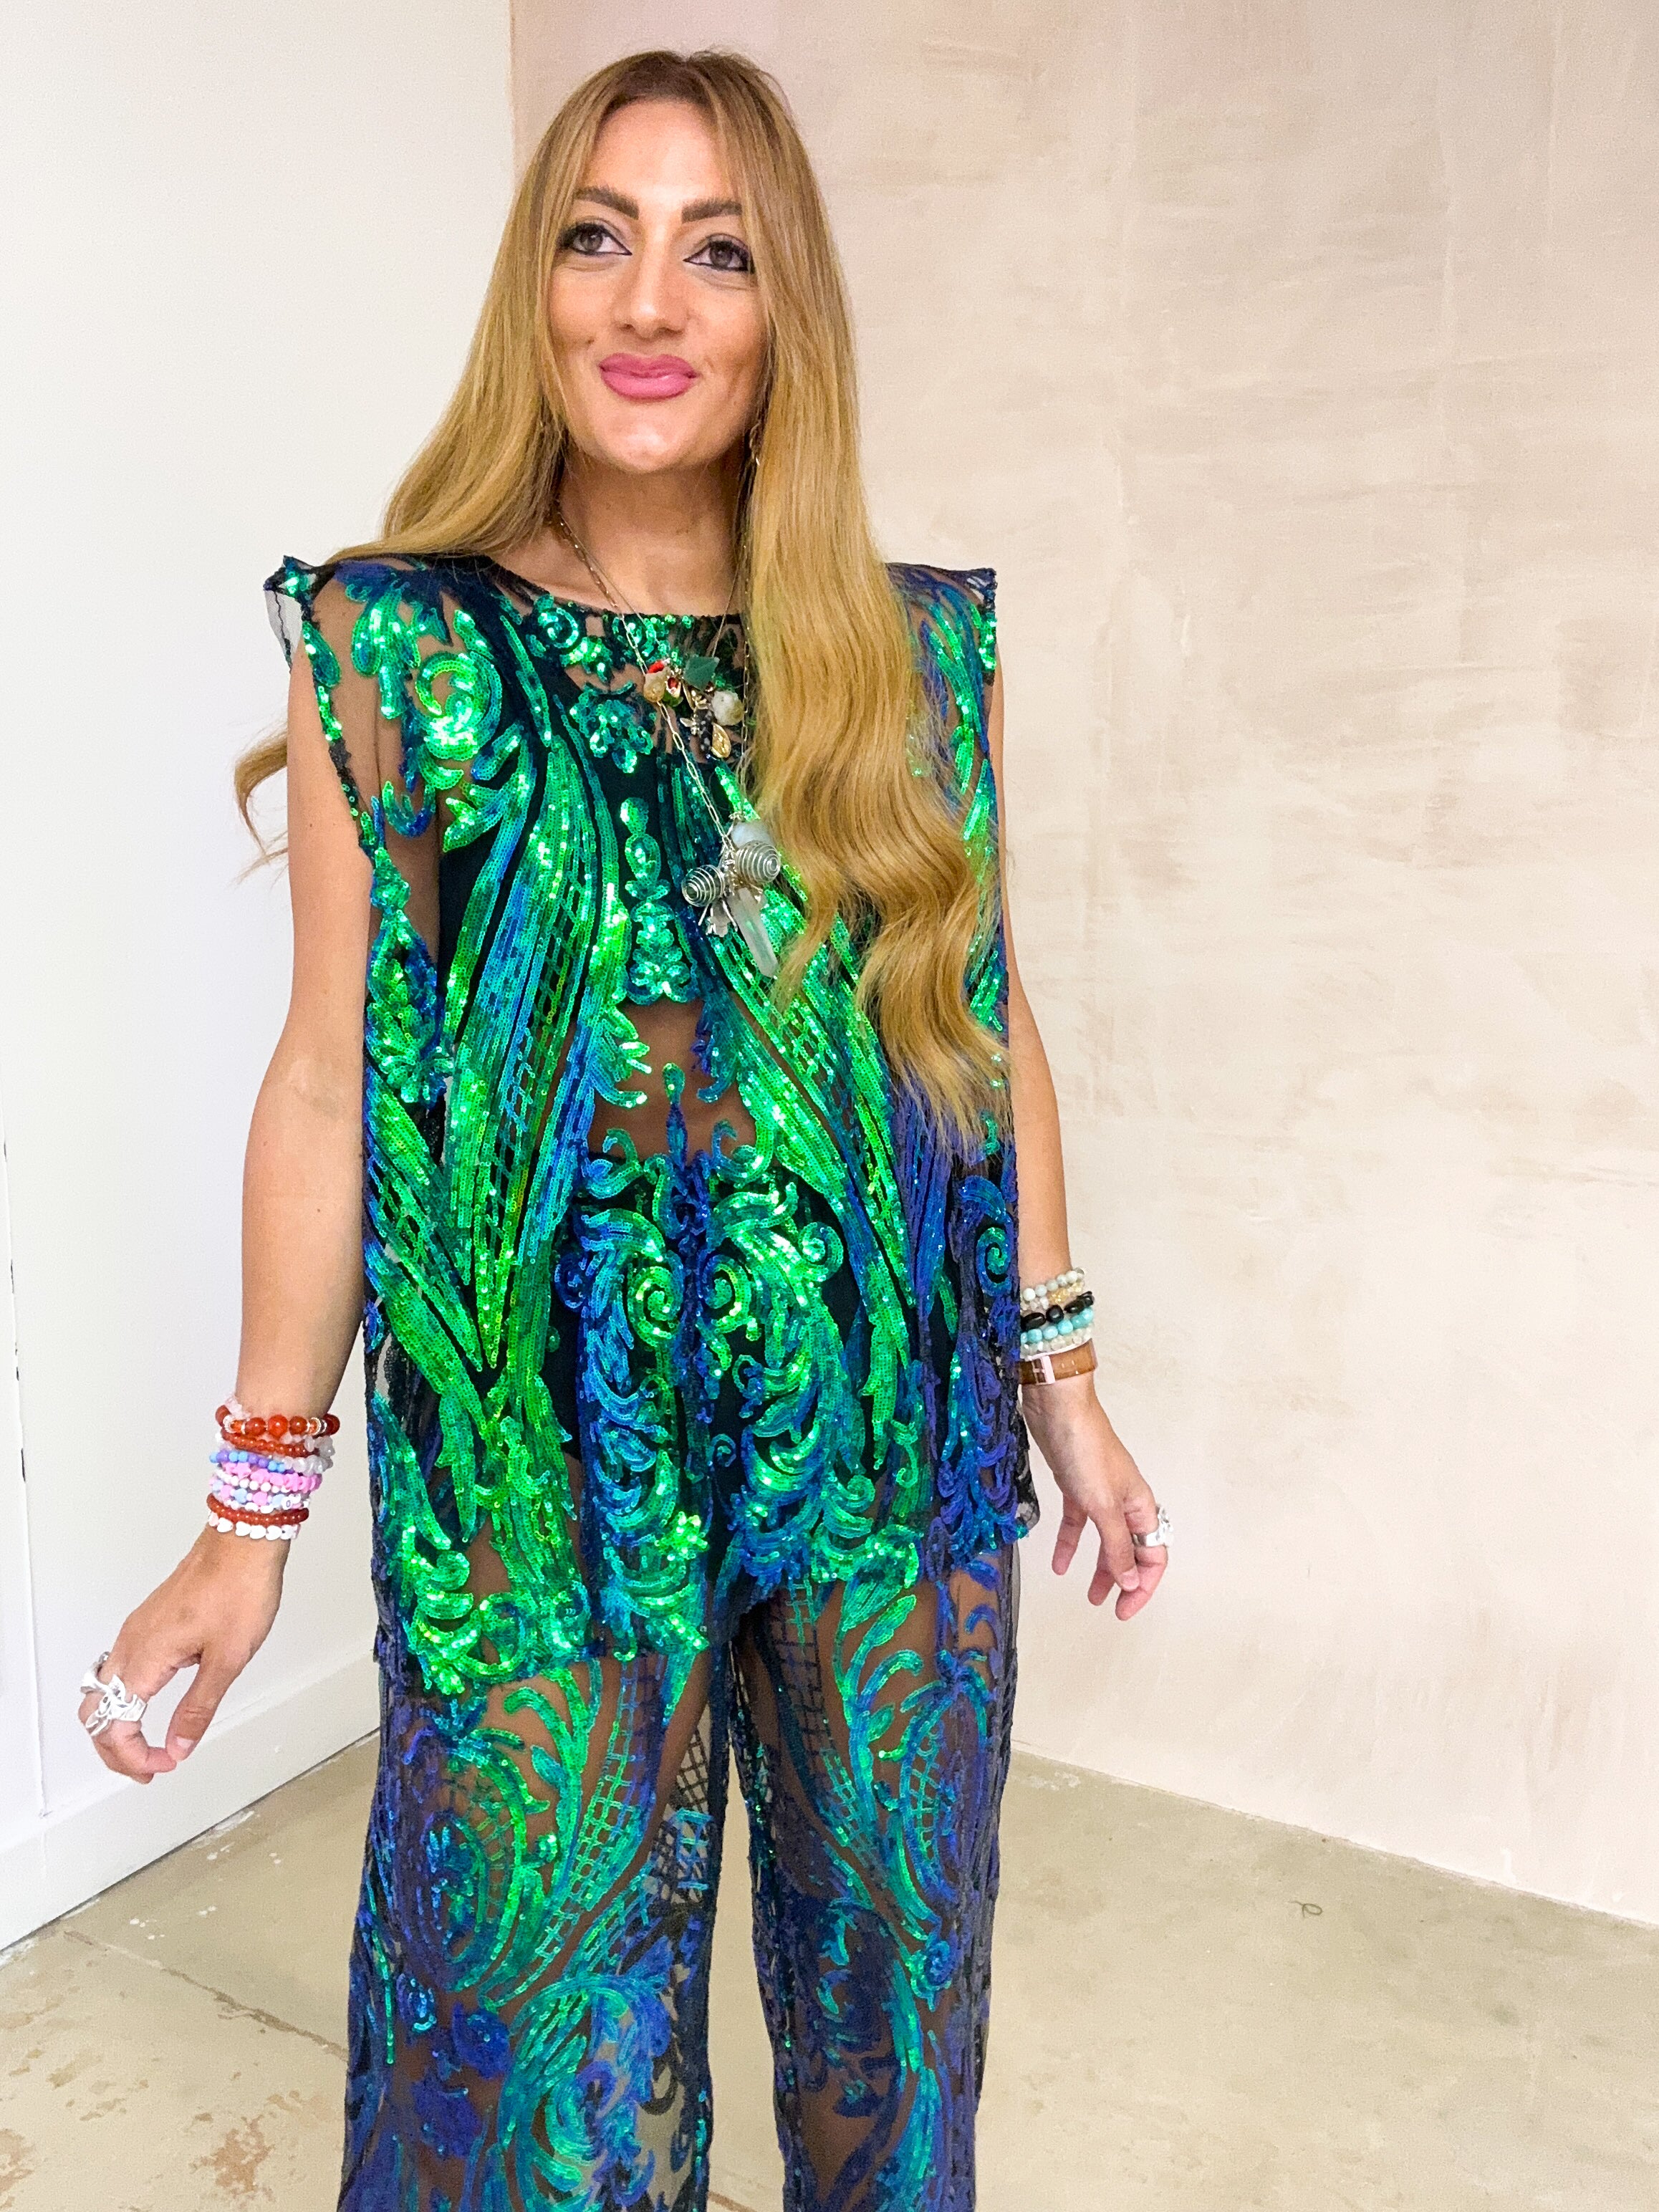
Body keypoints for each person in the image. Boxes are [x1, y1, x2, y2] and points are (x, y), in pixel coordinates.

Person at [77, 47, 1168, 2212]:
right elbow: (326, 1078)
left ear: (785, 315)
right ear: (538, 288)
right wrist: (248, 1514)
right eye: (599, 236)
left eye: (716, 250)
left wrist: (1063, 1382)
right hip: (537, 1478)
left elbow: (970, 1011)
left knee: (893, 2053)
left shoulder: (906, 656)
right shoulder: (400, 646)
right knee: (529, 2103)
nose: (649, 301)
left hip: (886, 1444)